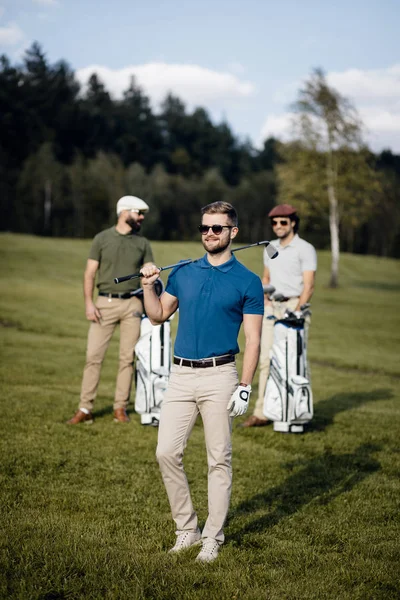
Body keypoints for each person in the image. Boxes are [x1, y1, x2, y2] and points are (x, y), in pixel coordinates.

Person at [140, 201, 264, 562]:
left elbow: (254, 339)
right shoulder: (183, 272)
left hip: (221, 375)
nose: (209, 233)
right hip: (180, 375)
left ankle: (213, 536)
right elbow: (158, 315)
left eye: (217, 228)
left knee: (218, 459)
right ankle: (187, 530)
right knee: (166, 452)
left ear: (233, 232)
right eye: (204, 228)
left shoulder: (248, 281)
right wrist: (149, 286)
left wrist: (245, 384)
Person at [67, 195, 154, 425]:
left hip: (133, 305)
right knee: (93, 357)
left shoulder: (143, 243)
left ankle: (120, 408)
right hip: (104, 304)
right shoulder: (102, 238)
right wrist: (88, 303)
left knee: (127, 358)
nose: (142, 217)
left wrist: (150, 271)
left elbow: (148, 269)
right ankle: (85, 408)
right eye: (138, 212)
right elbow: (89, 273)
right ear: (124, 212)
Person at [242, 203, 317, 427]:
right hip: (271, 307)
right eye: (274, 223)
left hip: (294, 307)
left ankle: (296, 409)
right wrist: (263, 297)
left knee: (294, 362)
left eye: (283, 222)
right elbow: (267, 277)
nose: (278, 226)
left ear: (293, 222)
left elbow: (309, 285)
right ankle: (262, 411)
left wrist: (296, 310)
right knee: (265, 360)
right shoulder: (270, 247)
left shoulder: (305, 249)